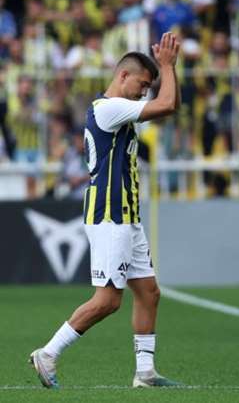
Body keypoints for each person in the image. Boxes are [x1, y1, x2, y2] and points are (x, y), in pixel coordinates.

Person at [29, 32, 183, 388]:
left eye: (148, 86)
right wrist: (168, 67)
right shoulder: (108, 108)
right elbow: (168, 105)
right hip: (110, 214)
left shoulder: (119, 111)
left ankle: (145, 372)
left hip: (127, 215)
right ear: (123, 76)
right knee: (108, 300)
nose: (144, 92)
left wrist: (162, 72)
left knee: (148, 292)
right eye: (142, 85)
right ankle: (48, 352)